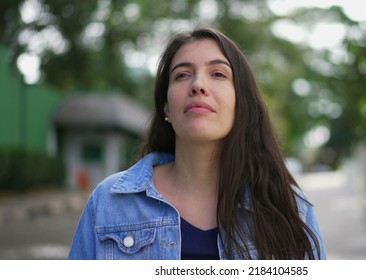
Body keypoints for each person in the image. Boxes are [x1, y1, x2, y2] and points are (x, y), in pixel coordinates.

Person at [68, 27, 326, 260]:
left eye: (217, 73)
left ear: (241, 103)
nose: (198, 85)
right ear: (166, 107)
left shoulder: (291, 210)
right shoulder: (107, 203)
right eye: (182, 75)